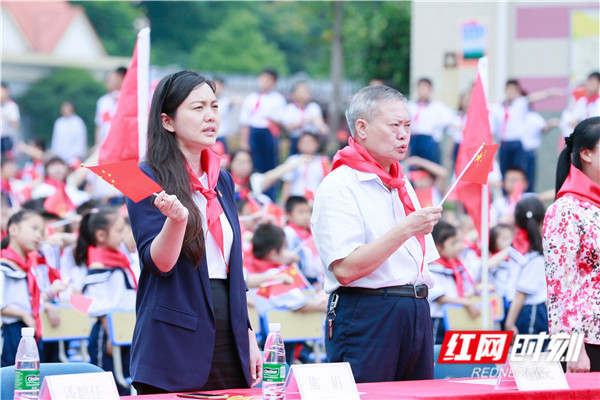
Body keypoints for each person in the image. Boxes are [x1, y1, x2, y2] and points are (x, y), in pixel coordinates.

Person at [125, 71, 261, 394]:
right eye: (198, 108)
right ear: (167, 121)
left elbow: (232, 268)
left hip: (230, 332)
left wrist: (249, 334)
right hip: (175, 338)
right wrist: (176, 221)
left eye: (214, 106)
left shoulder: (222, 180)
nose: (210, 116)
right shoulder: (145, 177)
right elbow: (159, 264)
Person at [311, 85, 443, 382]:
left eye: (408, 126)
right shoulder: (340, 185)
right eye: (395, 125)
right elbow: (345, 269)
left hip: (416, 308)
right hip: (368, 312)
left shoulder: (400, 182)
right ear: (362, 127)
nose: (403, 134)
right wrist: (406, 229)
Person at [543, 116, 600, 373]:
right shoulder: (565, 210)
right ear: (586, 154)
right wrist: (574, 348)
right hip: (588, 343)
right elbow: (561, 286)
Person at [75, 208, 135, 394]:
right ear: (101, 235)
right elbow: (100, 306)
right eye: (119, 231)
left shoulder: (119, 258)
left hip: (124, 330)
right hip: (107, 333)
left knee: (125, 382)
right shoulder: (98, 263)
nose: (123, 235)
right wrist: (112, 336)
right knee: (108, 386)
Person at [0, 210, 66, 366]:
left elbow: (30, 301)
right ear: (13, 229)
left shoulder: (28, 268)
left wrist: (50, 293)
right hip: (12, 332)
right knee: (14, 380)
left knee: (33, 379)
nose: (39, 235)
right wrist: (23, 314)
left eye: (42, 231)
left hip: (31, 330)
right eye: (34, 228)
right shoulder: (4, 266)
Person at [239, 68, 287, 201]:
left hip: (269, 133)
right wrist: (244, 142)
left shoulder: (278, 99)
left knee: (270, 164)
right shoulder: (251, 98)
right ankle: (254, 194)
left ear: (274, 82)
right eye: (263, 78)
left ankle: (270, 196)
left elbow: (281, 121)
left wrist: (270, 119)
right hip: (254, 132)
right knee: (254, 164)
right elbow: (244, 122)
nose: (265, 82)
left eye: (269, 80)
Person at [504, 195, 548, 336]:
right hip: (523, 311)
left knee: (527, 355)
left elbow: (521, 293)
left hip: (528, 312)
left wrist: (510, 322)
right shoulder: (530, 252)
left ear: (516, 221)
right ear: (542, 221)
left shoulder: (528, 253)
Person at [407, 78, 453, 164]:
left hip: (430, 142)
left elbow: (452, 122)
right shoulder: (411, 106)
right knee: (413, 167)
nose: (422, 91)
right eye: (420, 88)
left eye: (424, 88)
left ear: (430, 89)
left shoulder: (438, 107)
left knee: (432, 168)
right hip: (414, 139)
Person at [280, 132, 330, 204]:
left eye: (310, 142)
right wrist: (284, 202)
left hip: (316, 201)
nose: (307, 144)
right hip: (296, 200)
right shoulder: (292, 160)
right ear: (298, 145)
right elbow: (287, 183)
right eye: (303, 142)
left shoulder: (324, 161)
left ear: (317, 144)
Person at [282, 82, 329, 155]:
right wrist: (307, 121)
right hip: (296, 139)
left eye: (306, 92)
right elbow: (288, 127)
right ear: (294, 94)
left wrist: (322, 127)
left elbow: (318, 121)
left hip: (311, 140)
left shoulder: (313, 107)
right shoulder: (289, 109)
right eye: (300, 92)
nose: (303, 94)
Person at [1, 81, 21, 157]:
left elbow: (16, 123)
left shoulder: (11, 105)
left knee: (5, 160)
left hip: (5, 139)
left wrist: (6, 116)